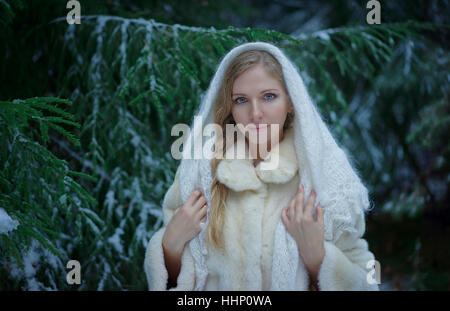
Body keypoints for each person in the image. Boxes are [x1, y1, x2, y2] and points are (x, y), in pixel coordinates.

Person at [144, 41, 379, 291]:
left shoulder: (326, 178)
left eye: (269, 96)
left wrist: (317, 258)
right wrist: (170, 246)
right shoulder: (200, 173)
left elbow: (366, 281)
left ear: (290, 101)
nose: (255, 113)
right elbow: (172, 281)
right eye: (241, 100)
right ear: (229, 106)